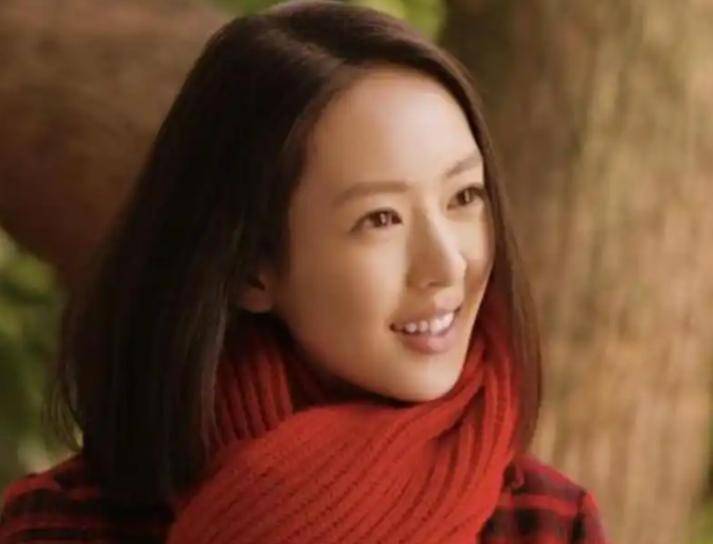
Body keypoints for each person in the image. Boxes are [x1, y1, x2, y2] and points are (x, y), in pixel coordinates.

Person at [0, 1, 610, 542]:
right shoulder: (66, 525)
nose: (448, 262)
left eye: (464, 197)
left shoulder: (545, 524)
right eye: (381, 219)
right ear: (251, 270)